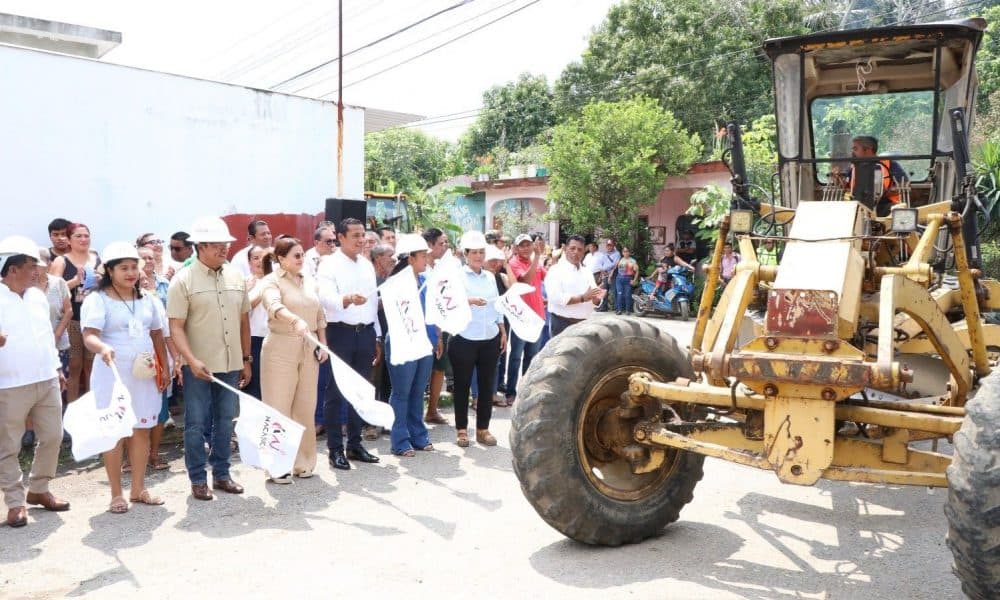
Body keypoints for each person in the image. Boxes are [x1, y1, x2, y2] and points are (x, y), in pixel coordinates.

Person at [166, 216, 251, 501]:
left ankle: (222, 474)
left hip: (230, 363)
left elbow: (243, 321)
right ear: (200, 246)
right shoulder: (183, 280)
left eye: (225, 244)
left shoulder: (236, 276)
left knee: (226, 420)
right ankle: (198, 479)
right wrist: (189, 360)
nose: (224, 249)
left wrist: (246, 358)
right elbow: (175, 326)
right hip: (198, 367)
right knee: (196, 423)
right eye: (217, 244)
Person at [82, 242, 170, 513]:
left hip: (144, 375)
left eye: (134, 267)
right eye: (124, 268)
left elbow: (157, 334)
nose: (131, 273)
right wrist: (103, 347)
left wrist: (165, 366)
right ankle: (116, 494)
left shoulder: (149, 299)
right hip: (112, 375)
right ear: (110, 270)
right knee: (114, 432)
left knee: (141, 429)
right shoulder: (97, 299)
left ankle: (138, 488)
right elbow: (89, 335)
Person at [0, 236, 71, 528]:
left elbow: (45, 337)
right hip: (9, 384)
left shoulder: (38, 296)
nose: (37, 271)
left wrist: (56, 368)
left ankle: (39, 489)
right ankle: (15, 503)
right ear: (13, 268)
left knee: (53, 436)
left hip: (46, 378)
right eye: (31, 266)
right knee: (9, 446)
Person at [259, 236, 327, 482]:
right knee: (278, 408)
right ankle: (276, 465)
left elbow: (319, 314)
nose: (301, 259)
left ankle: (303, 461)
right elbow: (273, 305)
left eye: (302, 255)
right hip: (280, 347)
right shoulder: (271, 281)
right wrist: (294, 320)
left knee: (305, 407)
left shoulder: (309, 281)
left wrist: (323, 344)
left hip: (309, 349)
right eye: (296, 255)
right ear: (281, 259)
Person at [317, 217, 382, 471]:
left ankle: (355, 444)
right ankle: (335, 449)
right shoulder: (328, 264)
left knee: (362, 391)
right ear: (341, 238)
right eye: (354, 235)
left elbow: (372, 303)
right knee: (336, 393)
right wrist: (346, 299)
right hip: (339, 333)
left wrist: (376, 335)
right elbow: (325, 298)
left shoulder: (366, 265)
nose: (360, 239)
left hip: (364, 333)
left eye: (362, 234)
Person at [449, 231, 507, 448]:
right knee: (462, 386)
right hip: (464, 336)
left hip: (489, 337)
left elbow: (496, 304)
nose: (478, 256)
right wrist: (469, 301)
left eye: (481, 252)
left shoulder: (490, 276)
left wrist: (502, 330)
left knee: (486, 386)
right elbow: (450, 302)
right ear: (465, 254)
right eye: (474, 252)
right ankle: (462, 429)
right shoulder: (457, 276)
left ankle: (483, 429)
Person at [384, 234, 435, 457]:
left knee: (417, 391)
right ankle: (400, 440)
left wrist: (437, 338)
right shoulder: (394, 285)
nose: (427, 260)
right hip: (401, 342)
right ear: (410, 258)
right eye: (423, 256)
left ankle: (419, 435)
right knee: (402, 392)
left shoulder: (425, 281)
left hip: (423, 342)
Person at [49, 223, 100, 405]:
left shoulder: (96, 258)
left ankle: (94, 409)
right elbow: (53, 291)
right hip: (73, 320)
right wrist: (75, 281)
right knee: (74, 366)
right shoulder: (61, 261)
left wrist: (102, 281)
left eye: (86, 235)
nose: (83, 239)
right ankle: (71, 411)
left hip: (95, 320)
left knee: (93, 366)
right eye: (78, 236)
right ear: (69, 239)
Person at [505, 233, 546, 406]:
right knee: (515, 356)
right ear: (516, 248)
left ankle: (526, 390)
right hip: (522, 317)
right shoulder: (514, 263)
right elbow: (526, 280)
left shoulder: (535, 262)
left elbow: (545, 277)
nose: (526, 248)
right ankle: (511, 392)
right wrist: (537, 256)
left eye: (528, 244)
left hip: (537, 316)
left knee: (532, 356)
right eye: (522, 245)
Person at [547, 235, 606, 336]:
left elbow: (593, 298)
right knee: (561, 352)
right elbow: (555, 298)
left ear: (583, 252)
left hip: (583, 324)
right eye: (572, 248)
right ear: (565, 249)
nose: (576, 252)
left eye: (580, 249)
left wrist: (597, 299)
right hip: (561, 323)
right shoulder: (555, 271)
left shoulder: (587, 272)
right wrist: (583, 298)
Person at [836, 135, 908, 216]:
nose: (852, 152)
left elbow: (905, 184)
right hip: (858, 205)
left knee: (897, 213)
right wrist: (837, 178)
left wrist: (888, 191)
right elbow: (845, 186)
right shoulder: (853, 167)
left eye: (855, 149)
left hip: (885, 205)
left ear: (867, 149)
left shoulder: (890, 164)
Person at [422, 228, 451, 425]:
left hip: (442, 323)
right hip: (423, 325)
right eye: (441, 243)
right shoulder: (419, 268)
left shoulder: (443, 268)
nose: (445, 246)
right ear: (430, 246)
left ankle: (432, 410)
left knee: (439, 367)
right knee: (422, 370)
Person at [244, 246, 268, 400]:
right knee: (254, 384)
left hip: (275, 338)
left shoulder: (279, 280)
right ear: (249, 262)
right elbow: (242, 308)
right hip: (253, 339)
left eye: (264, 257)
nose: (260, 261)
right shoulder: (245, 282)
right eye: (256, 258)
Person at [613, 247, 640, 315]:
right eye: (624, 251)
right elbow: (615, 269)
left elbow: (637, 271)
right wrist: (610, 276)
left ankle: (628, 310)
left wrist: (634, 280)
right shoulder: (620, 260)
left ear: (629, 252)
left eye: (627, 251)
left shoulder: (632, 261)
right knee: (619, 294)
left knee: (627, 295)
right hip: (619, 279)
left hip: (628, 278)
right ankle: (619, 310)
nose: (626, 253)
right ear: (622, 253)